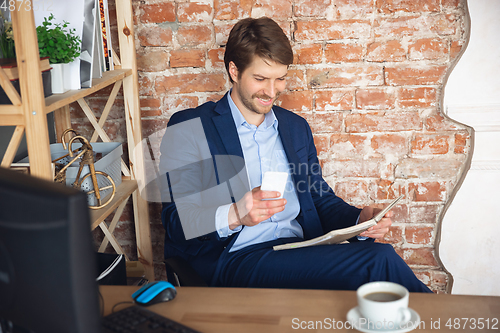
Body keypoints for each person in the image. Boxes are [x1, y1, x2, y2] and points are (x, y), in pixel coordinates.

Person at [159, 16, 432, 293]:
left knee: (374, 268)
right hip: (237, 258)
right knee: (378, 260)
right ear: (234, 70)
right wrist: (235, 214)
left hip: (299, 250)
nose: (271, 91)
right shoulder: (191, 127)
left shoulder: (295, 127)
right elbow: (175, 220)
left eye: (280, 79)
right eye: (260, 78)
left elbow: (318, 199)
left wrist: (359, 220)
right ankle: (443, 319)